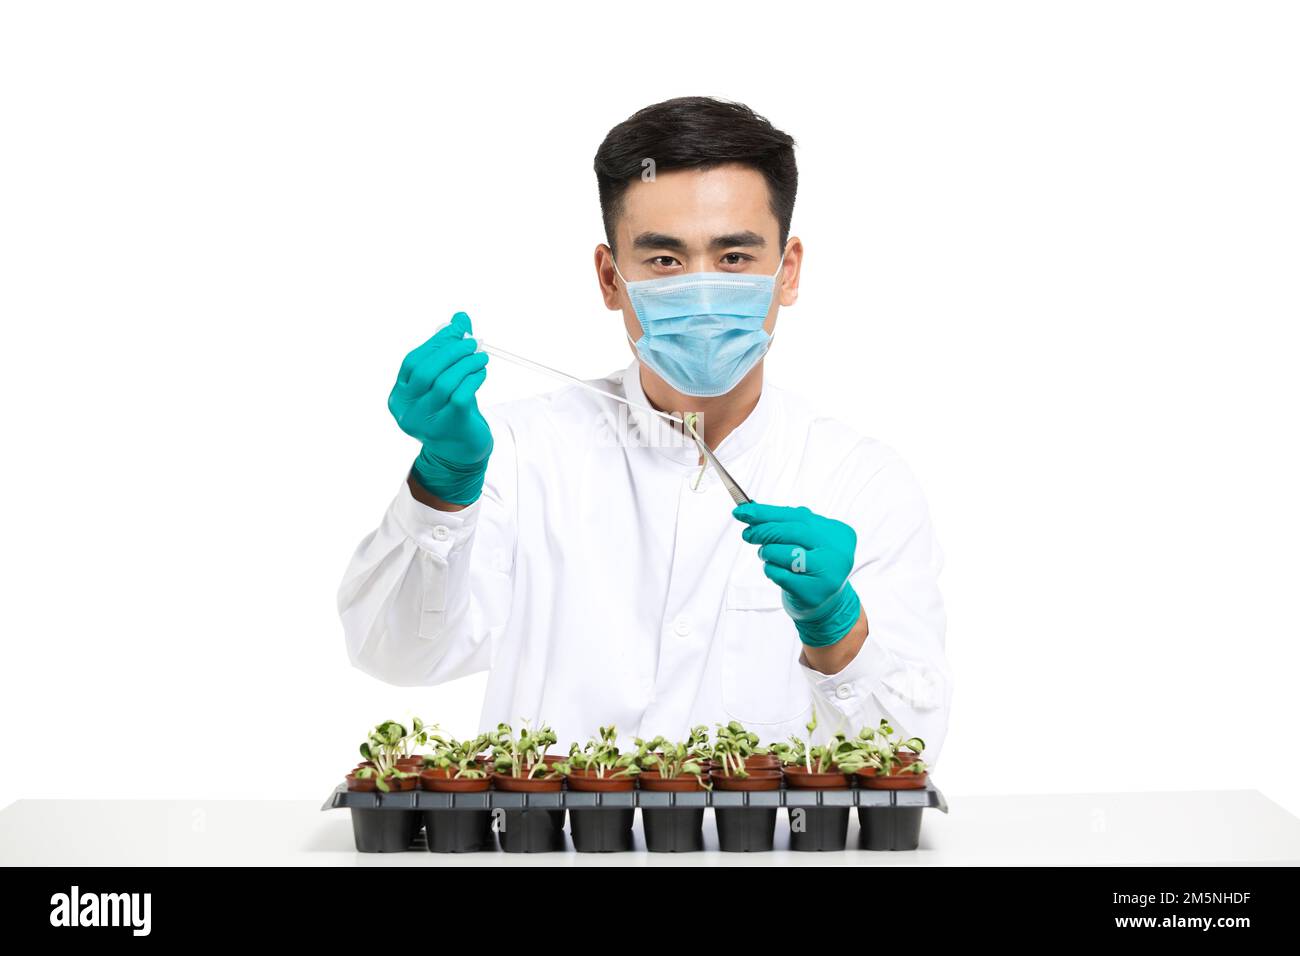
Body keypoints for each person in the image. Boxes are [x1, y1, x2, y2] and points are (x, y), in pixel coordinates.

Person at [337, 96, 952, 762]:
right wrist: (444, 483)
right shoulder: (521, 456)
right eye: (664, 261)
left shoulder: (861, 483)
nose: (702, 288)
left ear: (789, 271)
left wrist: (837, 625)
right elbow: (394, 654)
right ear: (610, 278)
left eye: (735, 258)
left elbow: (903, 756)